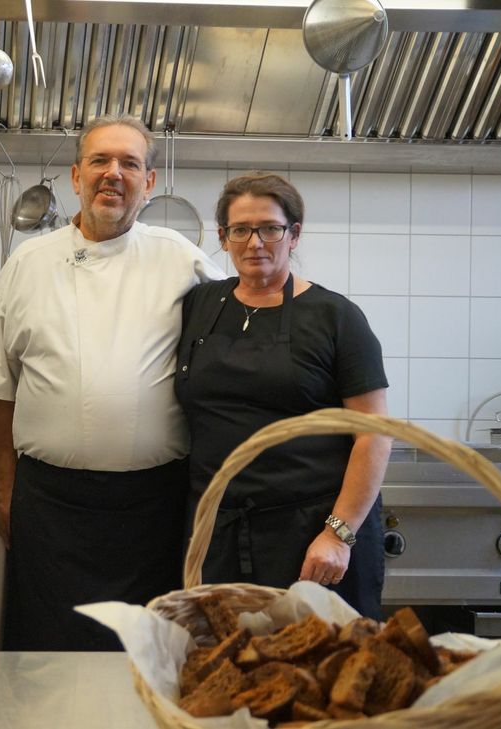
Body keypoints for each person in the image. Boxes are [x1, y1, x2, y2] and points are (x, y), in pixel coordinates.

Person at [0, 115, 224, 651]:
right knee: (46, 664)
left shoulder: (182, 259)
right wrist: (5, 486)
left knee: (146, 662)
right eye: (100, 161)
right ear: (76, 175)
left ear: (149, 182)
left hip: (154, 509)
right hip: (50, 507)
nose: (114, 174)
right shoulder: (27, 263)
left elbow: (226, 360)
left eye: (130, 163)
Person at [174, 172, 391, 619]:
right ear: (223, 237)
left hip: (311, 536)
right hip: (217, 534)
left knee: (325, 673)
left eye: (270, 228)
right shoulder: (199, 306)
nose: (255, 242)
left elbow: (374, 435)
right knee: (229, 671)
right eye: (240, 230)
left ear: (294, 235)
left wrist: (338, 534)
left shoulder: (336, 317)